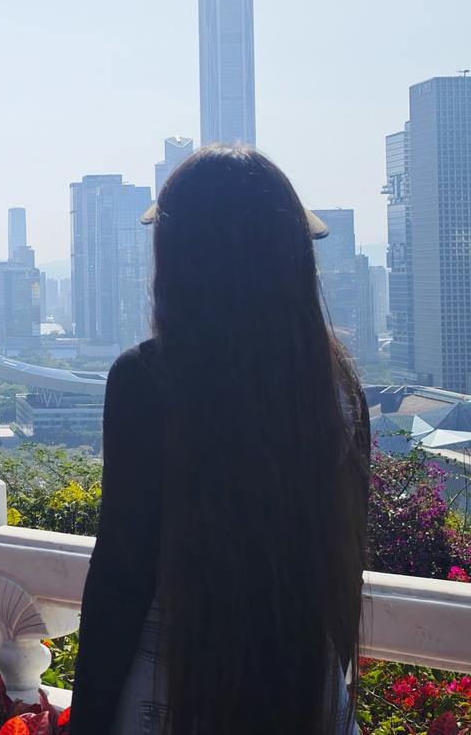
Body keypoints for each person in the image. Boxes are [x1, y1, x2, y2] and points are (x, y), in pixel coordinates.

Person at [69, 146, 370, 734]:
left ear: (179, 258)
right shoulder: (337, 390)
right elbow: (346, 566)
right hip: (305, 685)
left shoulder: (147, 380)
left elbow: (122, 576)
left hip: (170, 689)